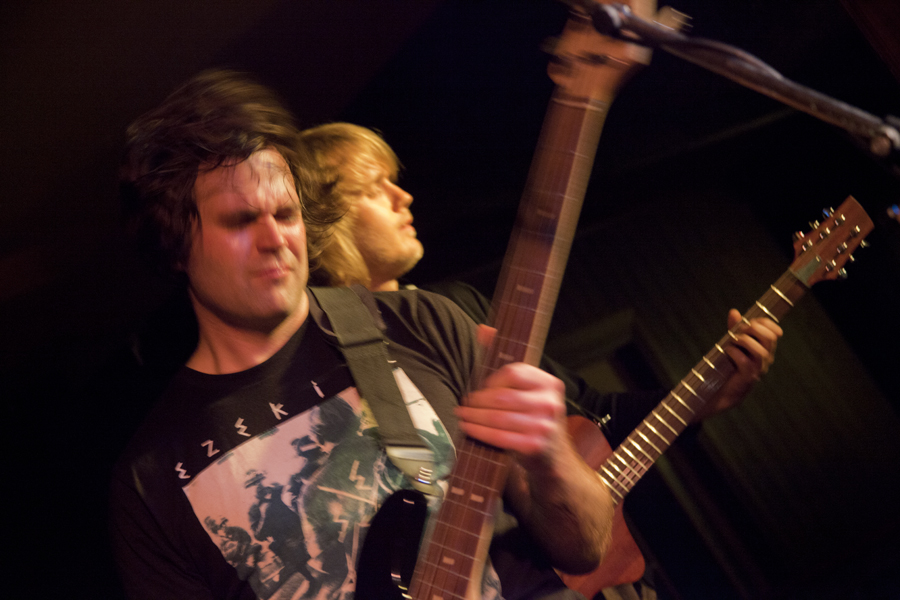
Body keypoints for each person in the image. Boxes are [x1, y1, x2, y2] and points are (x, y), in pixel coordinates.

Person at [109, 70, 614, 600]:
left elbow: (584, 548)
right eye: (240, 221)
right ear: (176, 246)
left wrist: (552, 449)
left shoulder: (420, 323)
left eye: (286, 213)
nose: (275, 238)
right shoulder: (153, 480)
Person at [296, 122, 784, 599]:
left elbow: (592, 413)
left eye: (394, 182)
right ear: (325, 220)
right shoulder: (324, 366)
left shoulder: (458, 308)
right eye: (373, 188)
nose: (403, 198)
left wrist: (706, 396)